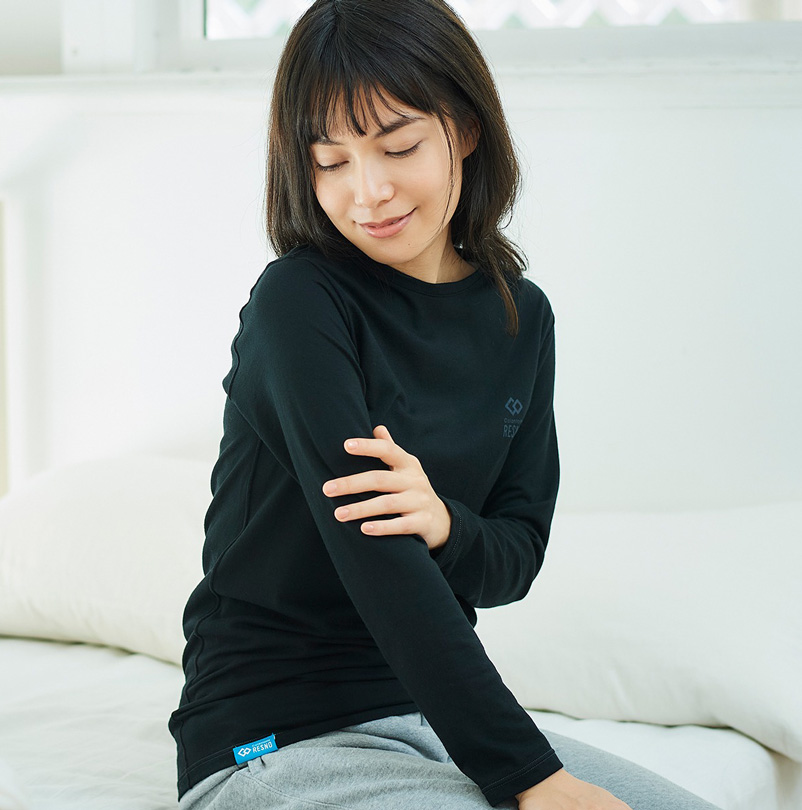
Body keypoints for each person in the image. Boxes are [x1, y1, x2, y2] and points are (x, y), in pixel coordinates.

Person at [168, 2, 723, 809]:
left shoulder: (520, 317)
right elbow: (379, 563)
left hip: (429, 720)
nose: (369, 192)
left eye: (398, 147)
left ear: (462, 129)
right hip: (271, 737)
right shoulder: (300, 302)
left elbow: (517, 551)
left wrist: (445, 525)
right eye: (331, 161)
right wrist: (530, 777)